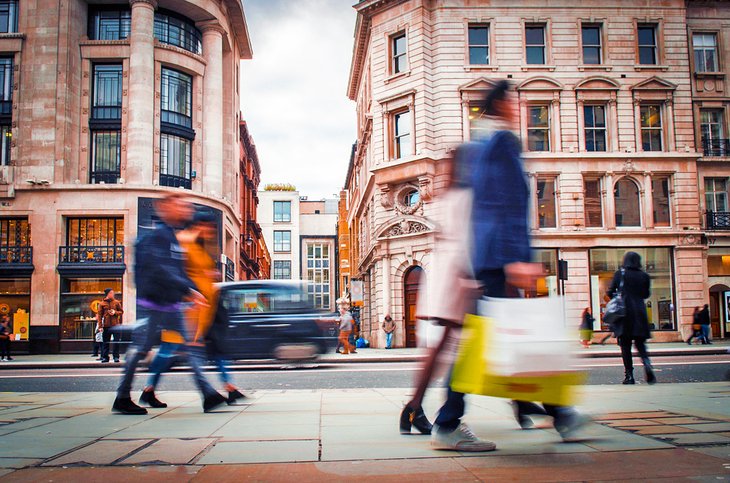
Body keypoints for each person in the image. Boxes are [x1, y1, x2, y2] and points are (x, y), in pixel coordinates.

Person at [431, 81, 587, 452]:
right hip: (500, 259)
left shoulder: (481, 145)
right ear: (502, 103)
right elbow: (504, 203)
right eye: (517, 100)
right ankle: (448, 423)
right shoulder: (502, 144)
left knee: (502, 339)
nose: (522, 107)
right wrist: (518, 258)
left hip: (488, 258)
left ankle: (561, 412)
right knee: (488, 343)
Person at [112, 193, 226, 415]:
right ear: (165, 207)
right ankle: (123, 396)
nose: (186, 209)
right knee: (141, 350)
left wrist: (190, 291)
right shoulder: (160, 236)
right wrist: (189, 291)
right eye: (180, 205)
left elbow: (177, 271)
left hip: (171, 304)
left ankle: (208, 395)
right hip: (155, 304)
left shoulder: (172, 236)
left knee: (190, 348)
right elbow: (162, 269)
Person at [141, 212, 245, 406]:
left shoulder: (200, 246)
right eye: (208, 227)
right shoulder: (184, 243)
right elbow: (176, 274)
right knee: (172, 350)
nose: (211, 231)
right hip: (186, 309)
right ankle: (210, 395)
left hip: (202, 309)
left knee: (173, 350)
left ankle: (150, 390)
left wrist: (210, 275)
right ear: (199, 225)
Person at [607, 251, 656, 385]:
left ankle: (629, 375)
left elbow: (609, 291)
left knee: (625, 346)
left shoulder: (620, 274)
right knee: (640, 344)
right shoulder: (644, 275)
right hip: (639, 313)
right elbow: (646, 294)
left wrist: (618, 297)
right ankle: (646, 364)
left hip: (624, 314)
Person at [98, 288, 123, 363]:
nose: (113, 294)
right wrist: (100, 326)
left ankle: (116, 357)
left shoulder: (116, 302)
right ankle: (105, 357)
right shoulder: (102, 304)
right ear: (108, 294)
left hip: (116, 325)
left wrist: (115, 312)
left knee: (116, 342)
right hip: (106, 325)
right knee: (106, 342)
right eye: (111, 293)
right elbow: (99, 315)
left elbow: (121, 311)